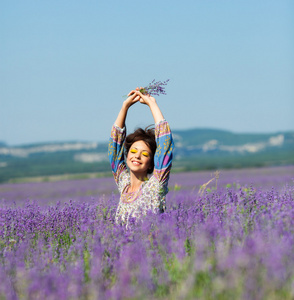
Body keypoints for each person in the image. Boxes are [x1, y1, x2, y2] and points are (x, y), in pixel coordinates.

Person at [108, 87, 174, 225]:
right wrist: (124, 107)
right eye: (133, 152)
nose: (137, 156)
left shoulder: (155, 187)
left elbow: (165, 145)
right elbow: (114, 151)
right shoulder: (124, 185)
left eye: (144, 154)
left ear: (151, 163)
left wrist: (152, 104)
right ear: (126, 156)